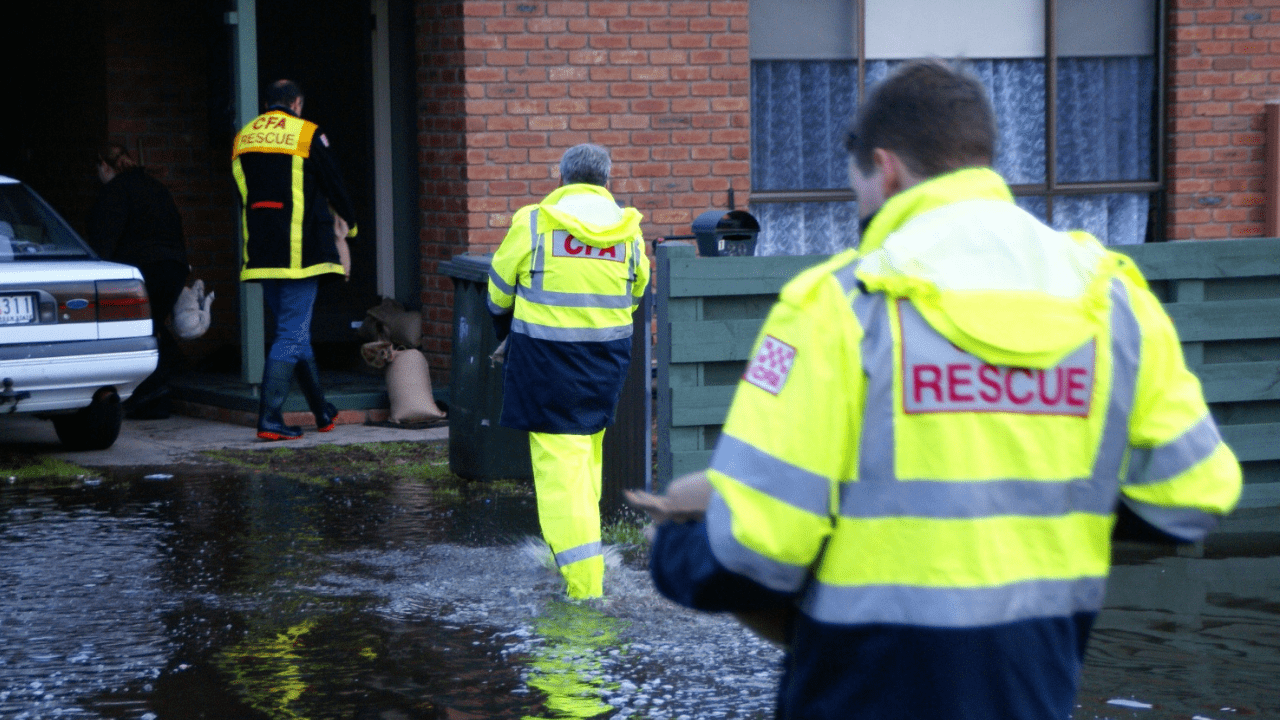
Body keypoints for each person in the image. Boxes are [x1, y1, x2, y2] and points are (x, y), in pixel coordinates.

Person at [647, 60, 1242, 720]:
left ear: (887, 168)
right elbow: (1195, 493)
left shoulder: (839, 304)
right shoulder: (1114, 298)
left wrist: (673, 542)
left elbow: (754, 556)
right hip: (1032, 693)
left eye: (859, 190)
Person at [487, 144, 649, 599]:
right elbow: (637, 291)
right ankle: (575, 554)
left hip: (545, 366)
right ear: (606, 181)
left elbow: (498, 290)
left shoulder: (536, 223)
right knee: (584, 465)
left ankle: (584, 587)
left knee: (563, 479)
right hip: (604, 366)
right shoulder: (627, 232)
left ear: (560, 177)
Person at [232, 79, 358, 440]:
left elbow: (243, 190)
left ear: (268, 103)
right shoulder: (306, 133)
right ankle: (270, 419)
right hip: (302, 251)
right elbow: (334, 181)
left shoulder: (245, 136)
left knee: (295, 332)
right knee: (291, 332)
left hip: (262, 252)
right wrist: (350, 225)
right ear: (297, 103)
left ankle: (322, 411)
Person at [88, 143, 189, 420]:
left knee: (140, 331)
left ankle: (152, 395)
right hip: (173, 267)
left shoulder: (115, 191)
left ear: (105, 166)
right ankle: (163, 385)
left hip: (144, 271)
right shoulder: (155, 187)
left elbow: (104, 240)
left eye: (98, 169)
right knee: (153, 327)